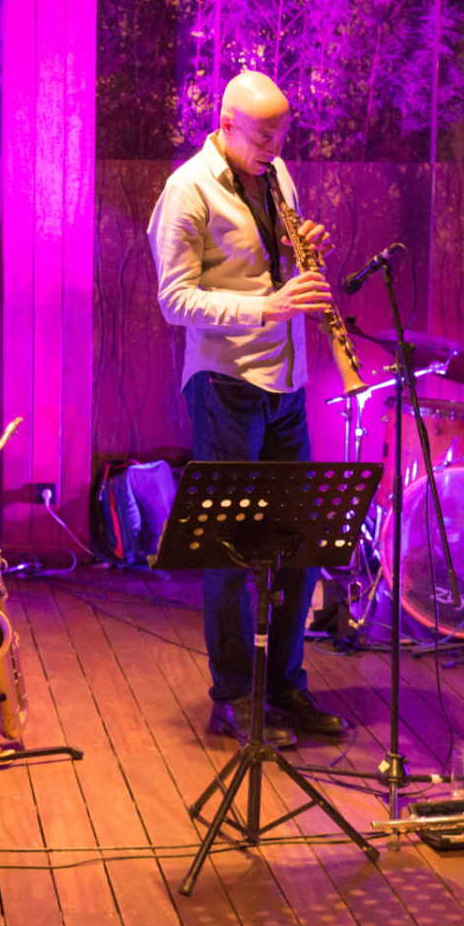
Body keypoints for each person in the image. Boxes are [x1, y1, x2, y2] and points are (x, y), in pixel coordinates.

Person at [147, 70, 348, 749]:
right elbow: (174, 300)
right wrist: (267, 306)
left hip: (286, 382)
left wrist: (294, 249)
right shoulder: (187, 189)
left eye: (281, 136)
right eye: (263, 137)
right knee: (231, 552)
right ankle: (233, 696)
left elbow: (265, 261)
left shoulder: (276, 173)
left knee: (299, 542)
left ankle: (285, 685)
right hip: (225, 384)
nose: (275, 149)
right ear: (226, 123)